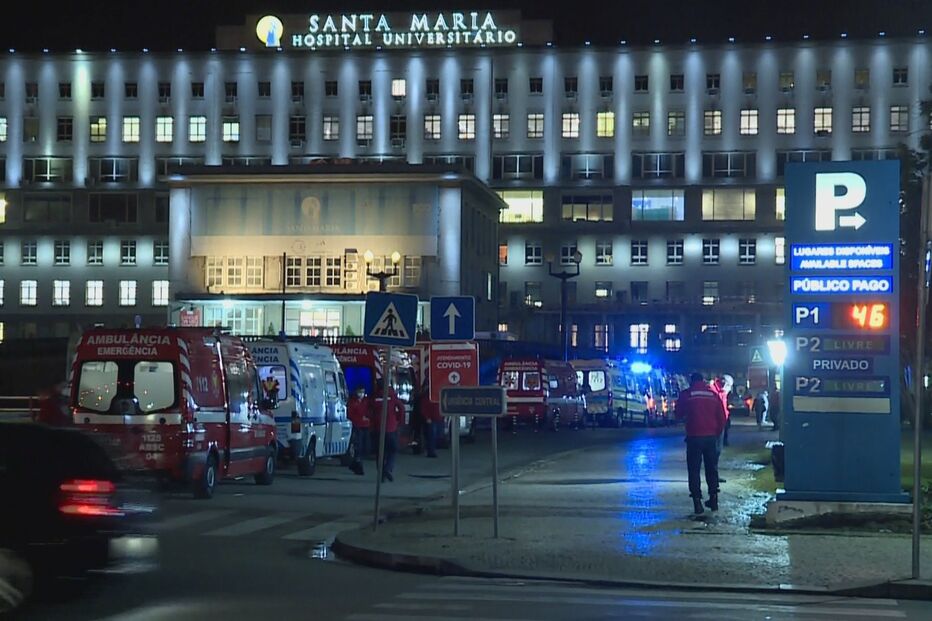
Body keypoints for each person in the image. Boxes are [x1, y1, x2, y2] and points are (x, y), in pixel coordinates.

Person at [676, 372, 727, 514]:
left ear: (691, 382)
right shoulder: (712, 394)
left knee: (694, 470)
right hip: (710, 437)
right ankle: (714, 498)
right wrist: (716, 432)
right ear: (703, 381)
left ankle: (697, 502)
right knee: (712, 468)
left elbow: (678, 413)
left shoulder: (687, 394)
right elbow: (722, 417)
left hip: (694, 437)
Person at [371, 382, 405, 482]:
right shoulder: (392, 396)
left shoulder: (374, 397)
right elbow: (401, 408)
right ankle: (387, 468)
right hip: (391, 428)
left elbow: (369, 410)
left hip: (378, 428)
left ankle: (381, 474)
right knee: (393, 450)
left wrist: (373, 421)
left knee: (380, 452)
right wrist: (398, 420)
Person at [347, 386, 371, 475]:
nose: (361, 394)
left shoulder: (366, 401)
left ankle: (355, 464)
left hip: (366, 426)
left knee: (366, 446)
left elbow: (369, 411)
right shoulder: (352, 402)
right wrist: (360, 418)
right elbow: (350, 414)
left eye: (363, 392)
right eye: (360, 392)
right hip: (357, 426)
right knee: (358, 446)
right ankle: (358, 465)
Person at [421, 384, 442, 458]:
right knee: (432, 436)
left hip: (436, 418)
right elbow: (424, 408)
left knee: (434, 436)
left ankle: (432, 450)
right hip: (432, 419)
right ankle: (431, 451)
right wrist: (427, 418)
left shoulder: (434, 397)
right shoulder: (428, 398)